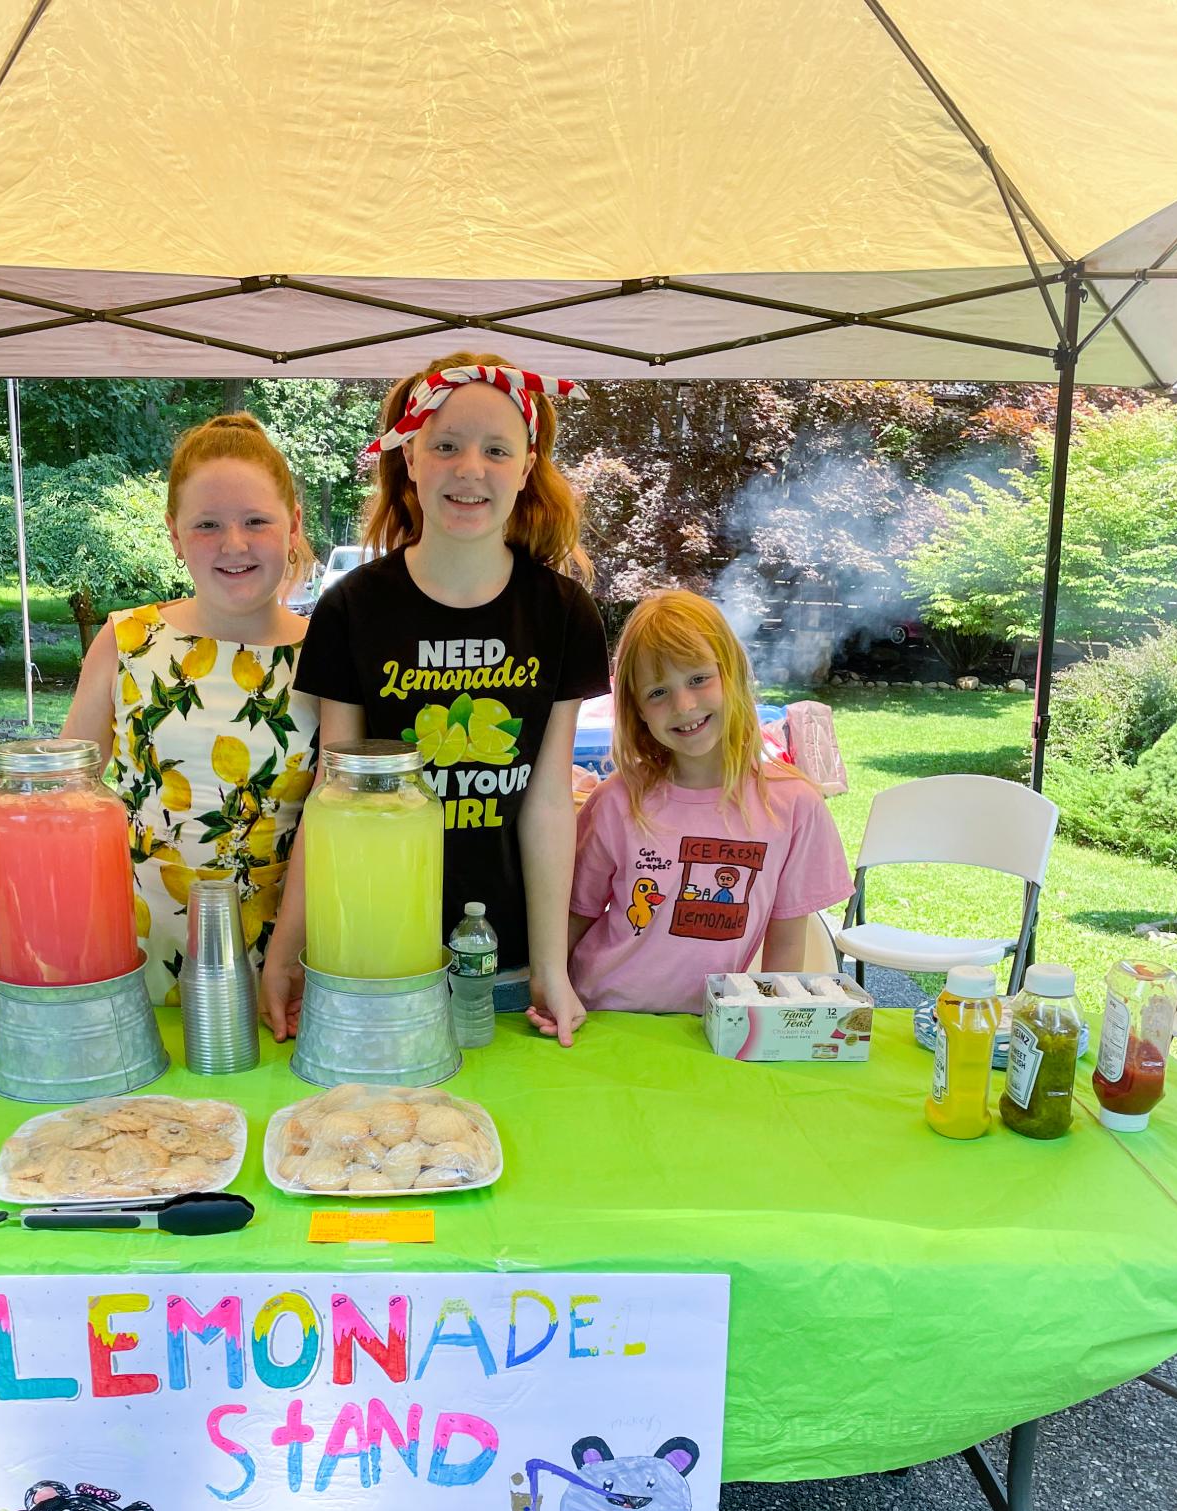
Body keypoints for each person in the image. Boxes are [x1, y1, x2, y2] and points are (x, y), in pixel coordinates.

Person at [261, 353, 610, 1047]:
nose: (468, 468)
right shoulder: (351, 609)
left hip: (504, 967)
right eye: (444, 445)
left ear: (526, 464)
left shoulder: (565, 613)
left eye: (495, 449)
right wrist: (287, 948)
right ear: (409, 460)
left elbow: (547, 803)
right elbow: (331, 799)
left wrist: (550, 964)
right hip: (375, 960)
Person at [63, 413, 317, 1001]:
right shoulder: (125, 640)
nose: (234, 544)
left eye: (256, 521)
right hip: (132, 958)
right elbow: (66, 802)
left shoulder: (328, 655)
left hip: (281, 970)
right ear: (175, 535)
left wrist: (293, 959)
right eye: (208, 525)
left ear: (293, 525)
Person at [560, 591, 853, 1019]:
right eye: (658, 691)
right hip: (601, 1016)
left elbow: (786, 944)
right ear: (636, 709)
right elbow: (574, 919)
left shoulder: (795, 806)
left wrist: (769, 1031)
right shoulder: (615, 802)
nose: (684, 706)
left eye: (698, 679)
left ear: (730, 673)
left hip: (713, 1027)